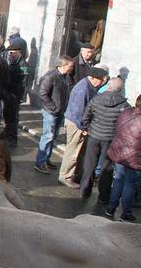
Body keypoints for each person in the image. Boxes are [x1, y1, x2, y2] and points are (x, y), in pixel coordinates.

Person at [80, 77, 130, 202]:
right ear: (120, 89)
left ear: (108, 87)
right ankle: (103, 197)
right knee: (107, 168)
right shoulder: (124, 105)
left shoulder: (96, 99)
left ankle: (84, 191)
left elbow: (85, 116)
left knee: (89, 165)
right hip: (110, 139)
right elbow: (126, 124)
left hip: (94, 136)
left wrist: (88, 128)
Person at [58, 66, 107, 187]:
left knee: (78, 151)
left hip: (78, 123)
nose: (102, 83)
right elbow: (78, 112)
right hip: (76, 124)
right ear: (94, 78)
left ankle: (73, 175)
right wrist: (84, 128)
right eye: (101, 80)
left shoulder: (88, 85)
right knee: (73, 151)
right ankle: (65, 176)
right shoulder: (83, 88)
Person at [34, 56, 74, 174]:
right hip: (51, 112)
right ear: (63, 65)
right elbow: (42, 93)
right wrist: (53, 107)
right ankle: (40, 162)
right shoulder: (51, 76)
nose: (72, 69)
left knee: (53, 137)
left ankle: (46, 159)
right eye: (70, 66)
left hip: (59, 111)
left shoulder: (65, 77)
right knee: (47, 136)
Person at [104, 94, 141, 222]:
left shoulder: (125, 113)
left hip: (119, 154)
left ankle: (110, 208)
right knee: (129, 185)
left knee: (118, 180)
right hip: (134, 159)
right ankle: (126, 213)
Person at [1, 42, 29, 147]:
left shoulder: (23, 65)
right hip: (8, 93)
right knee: (7, 115)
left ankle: (12, 138)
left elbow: (23, 82)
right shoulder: (13, 63)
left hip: (15, 95)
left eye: (12, 53)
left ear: (19, 53)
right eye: (10, 53)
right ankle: (6, 133)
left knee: (13, 117)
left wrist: (17, 95)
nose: (10, 55)